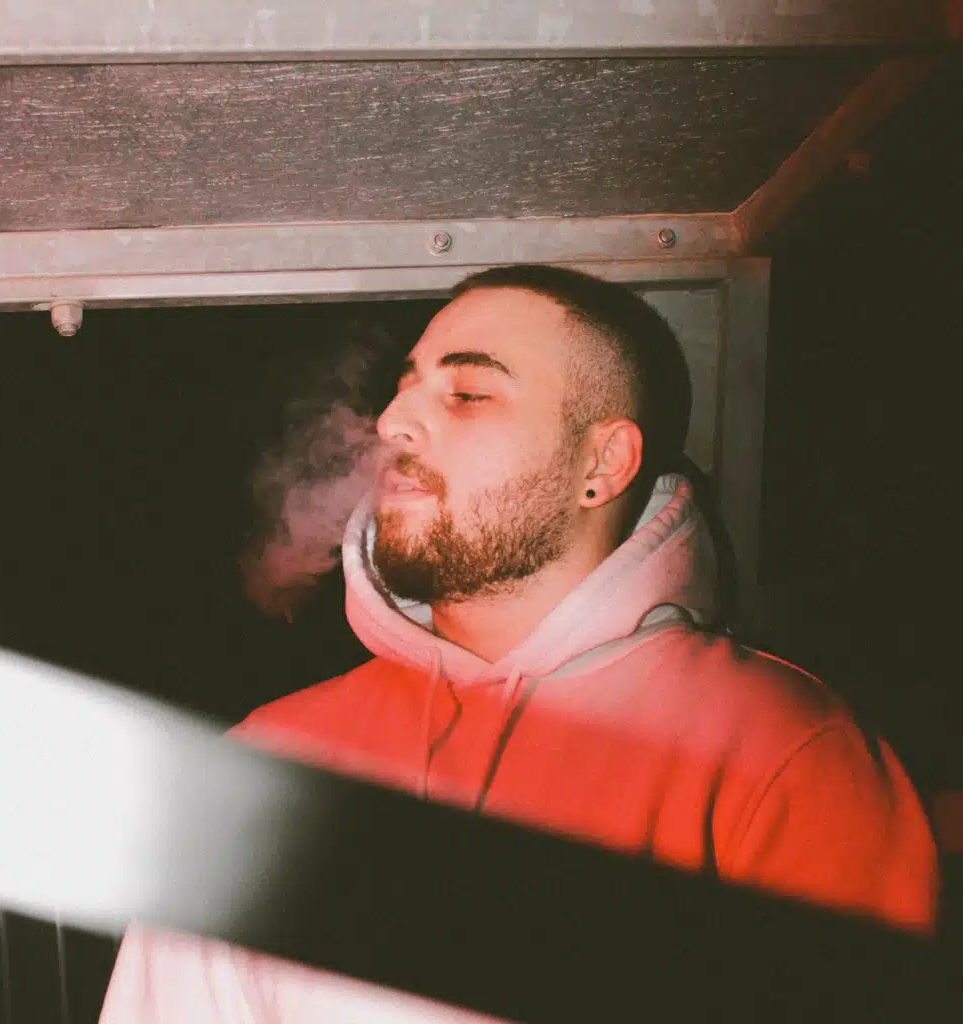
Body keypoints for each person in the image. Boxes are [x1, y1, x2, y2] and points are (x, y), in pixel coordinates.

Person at [100, 265, 938, 1022]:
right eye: (404, 390)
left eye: (467, 393)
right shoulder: (265, 767)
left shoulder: (783, 754)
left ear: (601, 465)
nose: (393, 421)